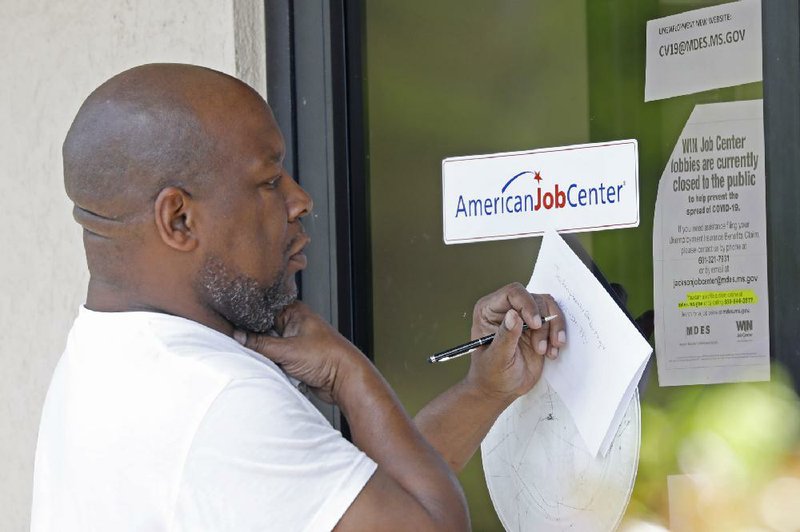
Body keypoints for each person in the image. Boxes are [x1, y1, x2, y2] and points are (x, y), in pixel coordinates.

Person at [31, 64, 566, 531]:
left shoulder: (110, 356)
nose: (300, 200)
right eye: (268, 182)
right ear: (179, 219)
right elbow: (425, 524)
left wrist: (483, 392)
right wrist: (350, 375)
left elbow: (349, 502)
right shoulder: (216, 398)